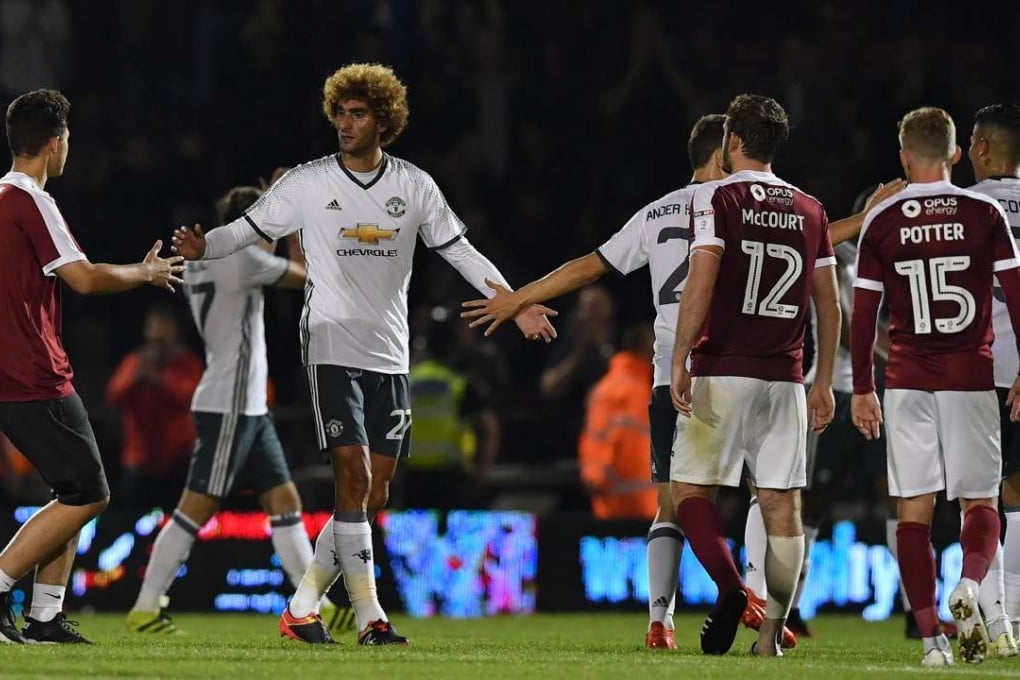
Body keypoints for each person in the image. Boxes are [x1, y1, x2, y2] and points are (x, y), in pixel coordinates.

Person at [461, 112, 899, 651]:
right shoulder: (746, 205)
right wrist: (862, 220)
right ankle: (763, 609)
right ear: (724, 153)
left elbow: (590, 265)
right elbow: (811, 240)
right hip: (753, 366)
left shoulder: (662, 211)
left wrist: (520, 296)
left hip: (682, 372)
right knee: (775, 498)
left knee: (677, 501)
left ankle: (663, 620)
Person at [170, 63, 555, 646]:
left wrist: (517, 300)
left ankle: (302, 607)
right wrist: (206, 246)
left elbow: (460, 250)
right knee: (351, 474)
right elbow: (248, 228)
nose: (345, 124)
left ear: (384, 120)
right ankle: (372, 617)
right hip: (329, 344)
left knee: (373, 493)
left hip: (389, 353)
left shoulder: (414, 185)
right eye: (340, 114)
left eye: (358, 114)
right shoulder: (307, 182)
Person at [126, 184, 352, 634]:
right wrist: (296, 225)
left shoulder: (206, 260)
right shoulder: (244, 259)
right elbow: (308, 274)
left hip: (245, 406)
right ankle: (146, 607)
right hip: (230, 404)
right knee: (195, 508)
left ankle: (316, 606)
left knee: (284, 500)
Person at [0, 89, 182, 644]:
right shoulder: (30, 200)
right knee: (89, 495)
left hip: (14, 370)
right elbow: (83, 277)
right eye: (67, 141)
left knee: (73, 489)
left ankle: (46, 616)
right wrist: (144, 274)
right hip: (32, 373)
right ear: (55, 145)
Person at [669, 94, 839, 658]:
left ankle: (735, 590)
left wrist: (679, 356)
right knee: (782, 507)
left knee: (691, 489)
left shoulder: (719, 197)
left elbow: (701, 281)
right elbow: (829, 305)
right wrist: (819, 382)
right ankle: (771, 637)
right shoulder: (810, 208)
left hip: (724, 369)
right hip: (787, 378)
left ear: (732, 142)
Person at [851, 106, 1020, 666]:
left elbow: (863, 313)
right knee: (981, 501)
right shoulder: (984, 210)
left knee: (913, 511)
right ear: (954, 153)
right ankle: (970, 586)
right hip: (971, 376)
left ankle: (931, 641)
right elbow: (1016, 297)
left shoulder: (881, 219)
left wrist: (861, 388)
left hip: (906, 381)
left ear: (903, 156)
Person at [967, 103, 1020, 651]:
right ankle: (1015, 621)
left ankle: (993, 611)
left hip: (976, 369)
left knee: (979, 497)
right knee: (1019, 494)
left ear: (980, 146)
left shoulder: (968, 206)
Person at [400, 305, 500, 510]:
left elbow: (384, 427)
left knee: (411, 539)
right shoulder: (460, 384)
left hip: (412, 479)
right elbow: (490, 429)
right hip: (452, 479)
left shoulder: (407, 382)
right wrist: (481, 471)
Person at [106, 305, 203, 509]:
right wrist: (137, 379)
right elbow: (114, 395)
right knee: (133, 520)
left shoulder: (187, 363)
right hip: (139, 459)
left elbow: (192, 397)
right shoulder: (136, 362)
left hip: (178, 460)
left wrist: (159, 381)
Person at [578, 322, 657, 520]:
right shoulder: (623, 387)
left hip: (633, 502)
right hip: (625, 505)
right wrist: (594, 474)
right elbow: (599, 433)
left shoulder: (641, 386)